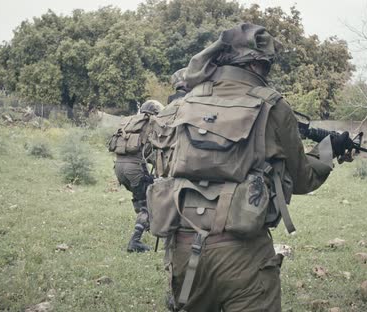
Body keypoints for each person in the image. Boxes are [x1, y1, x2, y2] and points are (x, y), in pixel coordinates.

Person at [151, 23, 354, 311]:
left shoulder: (186, 102)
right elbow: (302, 179)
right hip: (242, 251)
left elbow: (164, 162)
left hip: (183, 245)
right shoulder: (272, 105)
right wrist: (328, 150)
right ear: (257, 64)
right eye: (267, 64)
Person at [108, 100, 164, 252]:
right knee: (149, 202)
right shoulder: (151, 124)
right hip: (134, 168)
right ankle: (135, 241)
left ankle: (144, 221)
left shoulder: (130, 123)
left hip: (119, 168)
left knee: (141, 196)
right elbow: (158, 151)